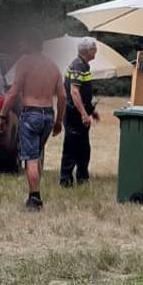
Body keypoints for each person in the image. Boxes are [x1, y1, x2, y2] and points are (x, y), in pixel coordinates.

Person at [0, 38, 65, 211]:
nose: (21, 45)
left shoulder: (25, 63)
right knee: (37, 154)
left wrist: (2, 116)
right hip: (48, 115)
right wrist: (58, 121)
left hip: (31, 113)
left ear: (29, 44)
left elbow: (13, 92)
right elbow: (63, 96)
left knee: (31, 159)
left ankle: (35, 199)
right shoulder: (53, 65)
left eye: (23, 43)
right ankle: (36, 190)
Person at [61, 37, 99, 187]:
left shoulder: (84, 65)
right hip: (73, 114)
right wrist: (83, 114)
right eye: (94, 48)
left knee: (83, 148)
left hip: (80, 112)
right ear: (87, 50)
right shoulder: (77, 66)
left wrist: (90, 111)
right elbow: (74, 92)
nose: (95, 51)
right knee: (71, 147)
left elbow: (83, 93)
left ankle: (82, 178)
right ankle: (66, 180)